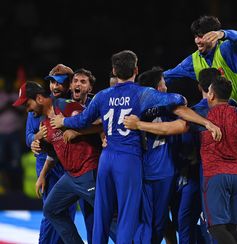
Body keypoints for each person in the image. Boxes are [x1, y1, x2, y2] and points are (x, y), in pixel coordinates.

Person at [50, 50, 221, 243]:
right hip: (128, 159)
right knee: (127, 215)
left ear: (114, 70)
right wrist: (184, 101)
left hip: (106, 158)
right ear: (136, 70)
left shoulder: (102, 96)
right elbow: (176, 100)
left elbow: (82, 120)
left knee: (102, 213)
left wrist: (63, 121)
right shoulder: (142, 93)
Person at [124, 76, 237, 244]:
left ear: (211, 95)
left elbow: (172, 128)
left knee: (215, 228)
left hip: (215, 177)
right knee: (232, 227)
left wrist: (140, 125)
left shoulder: (202, 114)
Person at [14, 81, 102, 244]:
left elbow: (100, 124)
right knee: (51, 210)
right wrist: (42, 175)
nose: (28, 110)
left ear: (39, 98)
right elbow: (54, 154)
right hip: (71, 176)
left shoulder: (65, 106)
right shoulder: (44, 123)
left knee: (107, 218)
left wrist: (74, 129)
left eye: (28, 104)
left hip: (88, 171)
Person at [25, 64, 74, 244]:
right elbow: (28, 137)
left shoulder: (71, 106)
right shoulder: (39, 106)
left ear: (69, 84)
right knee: (51, 211)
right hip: (48, 165)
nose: (55, 86)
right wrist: (35, 139)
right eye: (52, 82)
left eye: (60, 83)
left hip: (69, 164)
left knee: (66, 212)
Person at [164, 15, 237, 107]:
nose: (197, 41)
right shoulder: (192, 61)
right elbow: (166, 76)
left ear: (213, 36)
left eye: (201, 36)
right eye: (195, 36)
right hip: (218, 116)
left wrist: (222, 33)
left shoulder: (225, 50)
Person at [133, 67, 177, 244]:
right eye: (164, 83)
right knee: (156, 221)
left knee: (150, 221)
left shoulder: (133, 109)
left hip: (142, 170)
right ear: (158, 89)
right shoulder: (169, 108)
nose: (166, 87)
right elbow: (181, 126)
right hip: (160, 170)